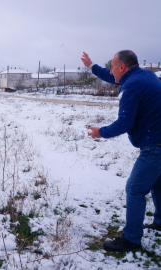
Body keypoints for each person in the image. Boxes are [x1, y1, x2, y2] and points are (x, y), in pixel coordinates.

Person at [81, 50, 161, 252]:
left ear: (122, 67)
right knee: (157, 183)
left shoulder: (132, 86)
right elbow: (112, 76)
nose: (111, 72)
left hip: (155, 146)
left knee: (134, 189)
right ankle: (160, 221)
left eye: (113, 67)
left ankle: (131, 240)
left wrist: (101, 132)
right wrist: (91, 66)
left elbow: (125, 122)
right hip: (158, 140)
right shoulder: (145, 76)